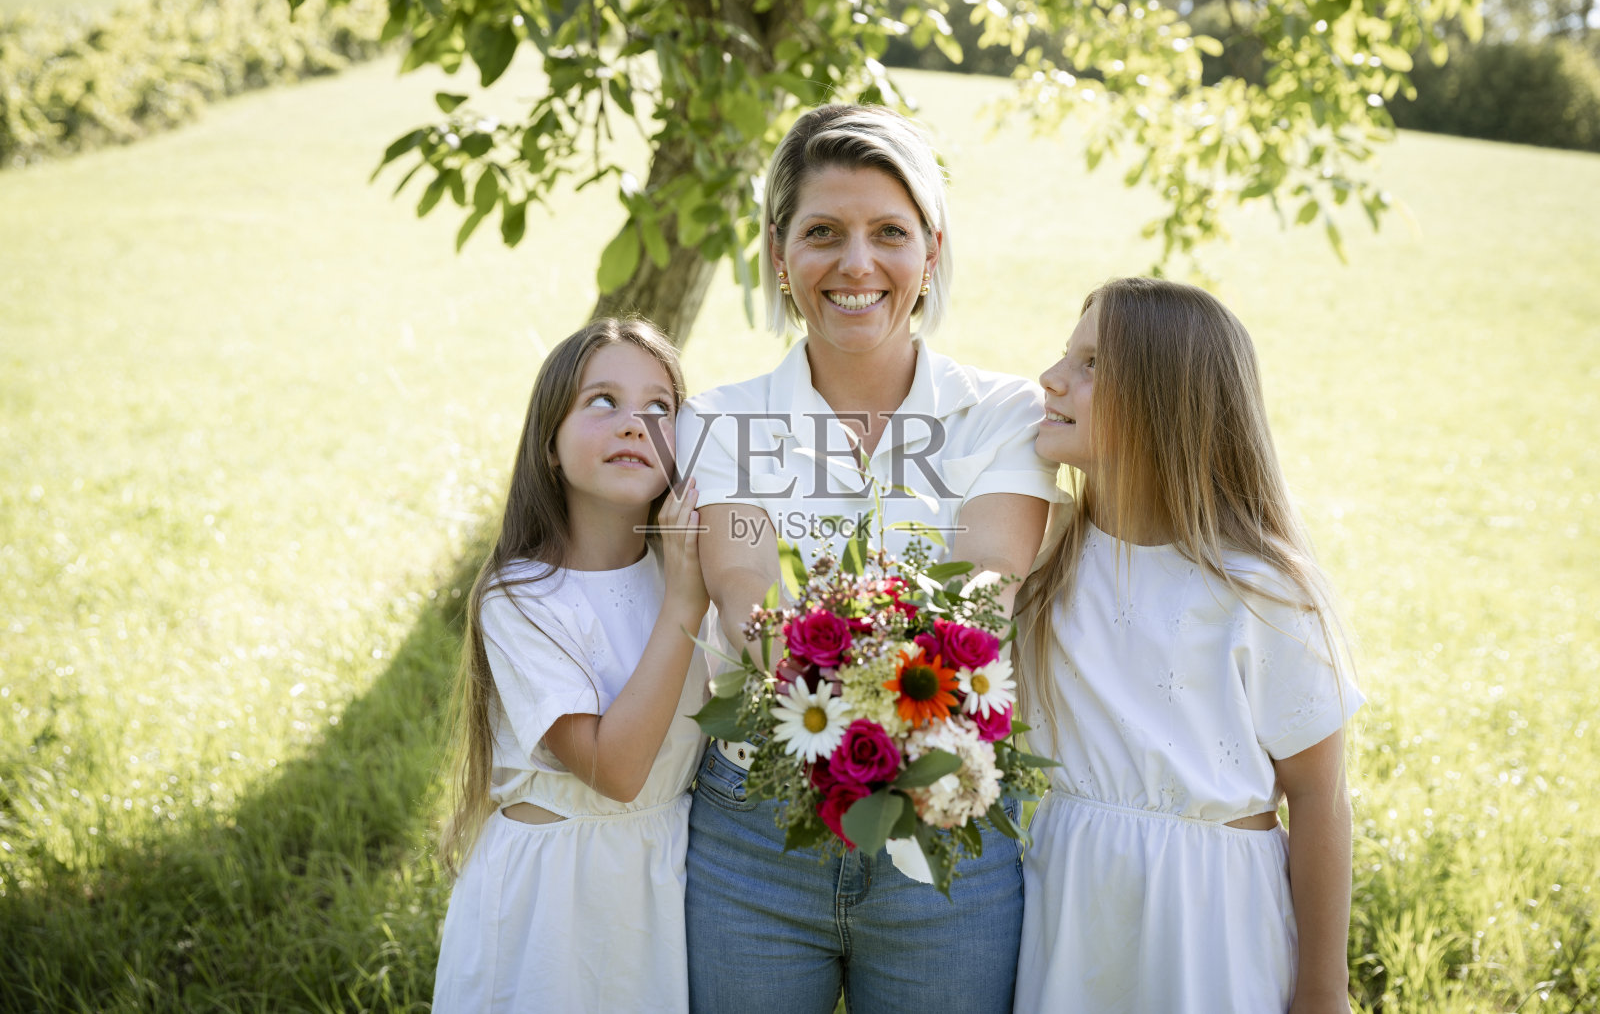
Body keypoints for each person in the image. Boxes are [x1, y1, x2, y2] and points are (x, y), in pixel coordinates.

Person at [677, 104, 1060, 1014]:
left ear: (931, 249)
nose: (857, 264)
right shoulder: (720, 420)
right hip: (756, 828)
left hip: (948, 815)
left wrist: (871, 696)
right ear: (779, 255)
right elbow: (743, 592)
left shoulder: (1000, 413)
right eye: (822, 233)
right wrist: (852, 692)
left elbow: (984, 595)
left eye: (889, 232)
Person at [1012, 277, 1365, 1013]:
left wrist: (1324, 988)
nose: (1051, 377)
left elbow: (1319, 796)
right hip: (1073, 897)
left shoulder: (1258, 589)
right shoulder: (1044, 559)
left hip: (1211, 916)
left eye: (1091, 364)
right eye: (1065, 355)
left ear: (1164, 401)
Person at [431, 318, 710, 1013]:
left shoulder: (691, 567)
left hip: (660, 878)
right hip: (554, 905)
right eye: (602, 401)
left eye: (659, 407)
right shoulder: (522, 597)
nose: (634, 423)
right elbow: (616, 771)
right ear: (549, 445)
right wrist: (684, 599)